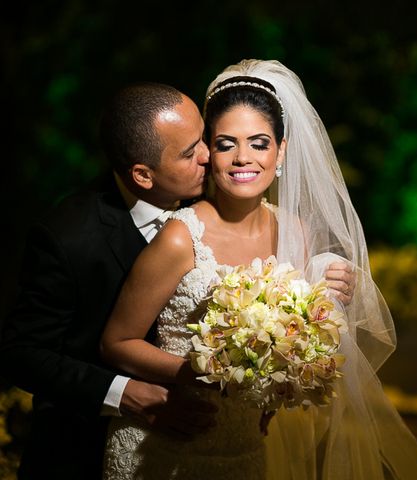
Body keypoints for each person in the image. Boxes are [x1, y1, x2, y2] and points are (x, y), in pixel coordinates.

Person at [100, 59, 417, 479]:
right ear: (208, 150)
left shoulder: (293, 232)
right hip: (164, 446)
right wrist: (203, 371)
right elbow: (117, 342)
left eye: (259, 143)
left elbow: (299, 345)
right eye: (226, 144)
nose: (243, 157)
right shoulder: (180, 237)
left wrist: (328, 306)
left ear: (281, 151)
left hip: (246, 448)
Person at [0, 80, 356, 479]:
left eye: (206, 140)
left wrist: (321, 273)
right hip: (89, 446)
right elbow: (22, 354)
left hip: (237, 444)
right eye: (196, 150)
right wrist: (127, 394)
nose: (211, 156)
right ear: (143, 175)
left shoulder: (216, 192)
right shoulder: (72, 238)